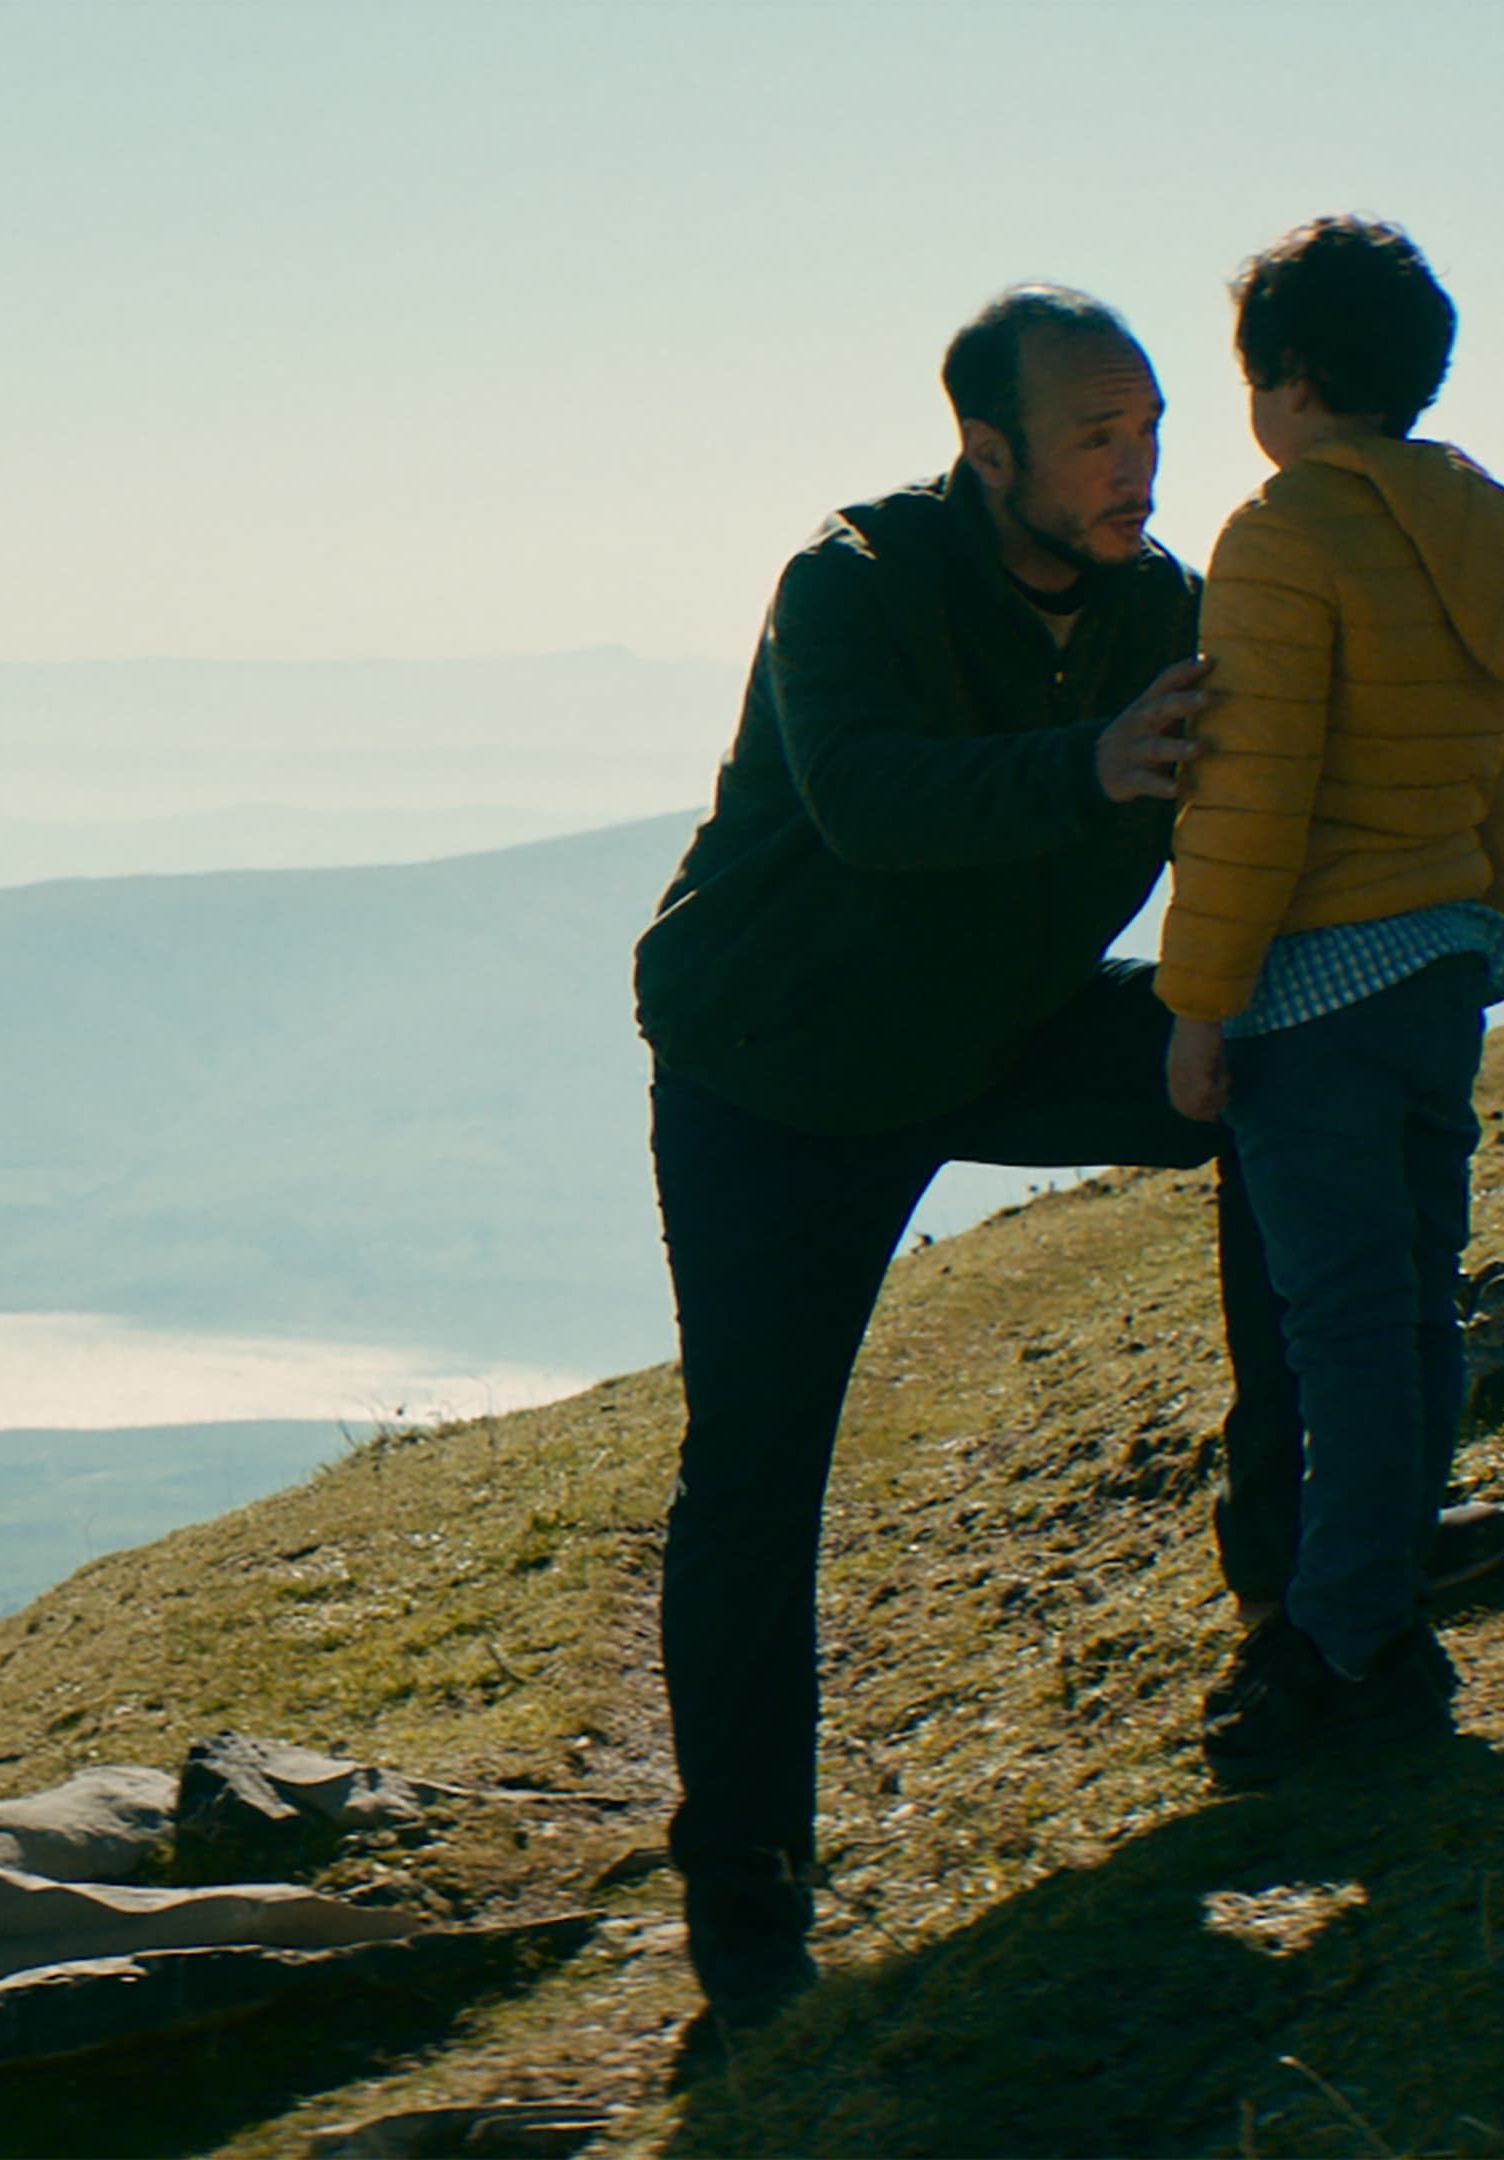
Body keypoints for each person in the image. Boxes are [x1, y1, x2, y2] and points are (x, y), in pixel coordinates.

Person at [632, 284, 1278, 2045]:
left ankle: (1301, 1594)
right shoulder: (851, 578)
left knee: (1297, 1073)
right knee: (756, 1480)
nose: (1139, 459)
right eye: (1094, 433)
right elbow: (867, 798)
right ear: (985, 449)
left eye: (1150, 421)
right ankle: (747, 1893)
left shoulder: (1162, 602)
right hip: (781, 1069)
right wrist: (1087, 763)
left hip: (1001, 1031)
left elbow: (1262, 791)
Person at [1158, 217, 1504, 1784]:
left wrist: (1199, 1003)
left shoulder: (1283, 538)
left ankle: (1350, 1644)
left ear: (1282, 381)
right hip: (1442, 965)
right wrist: (1489, 884)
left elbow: (1247, 796)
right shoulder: (1484, 541)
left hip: (1316, 991)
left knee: (1339, 1319)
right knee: (1412, 1294)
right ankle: (1388, 1568)